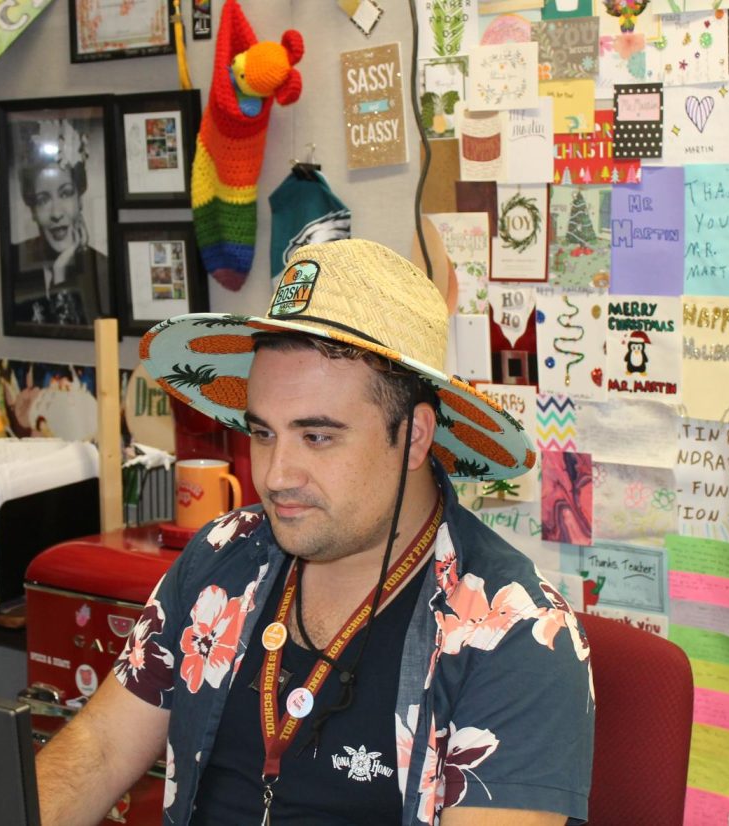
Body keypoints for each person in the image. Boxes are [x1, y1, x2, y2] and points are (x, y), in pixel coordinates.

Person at [35, 239, 595, 826]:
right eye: (263, 433)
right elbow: (98, 750)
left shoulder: (515, 635)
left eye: (318, 437)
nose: (276, 476)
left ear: (415, 436)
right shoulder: (223, 558)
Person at [9, 119, 107, 326]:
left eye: (66, 194)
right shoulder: (13, 262)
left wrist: (63, 273)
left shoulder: (103, 268)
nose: (56, 213)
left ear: (79, 199)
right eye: (43, 200)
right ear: (32, 209)